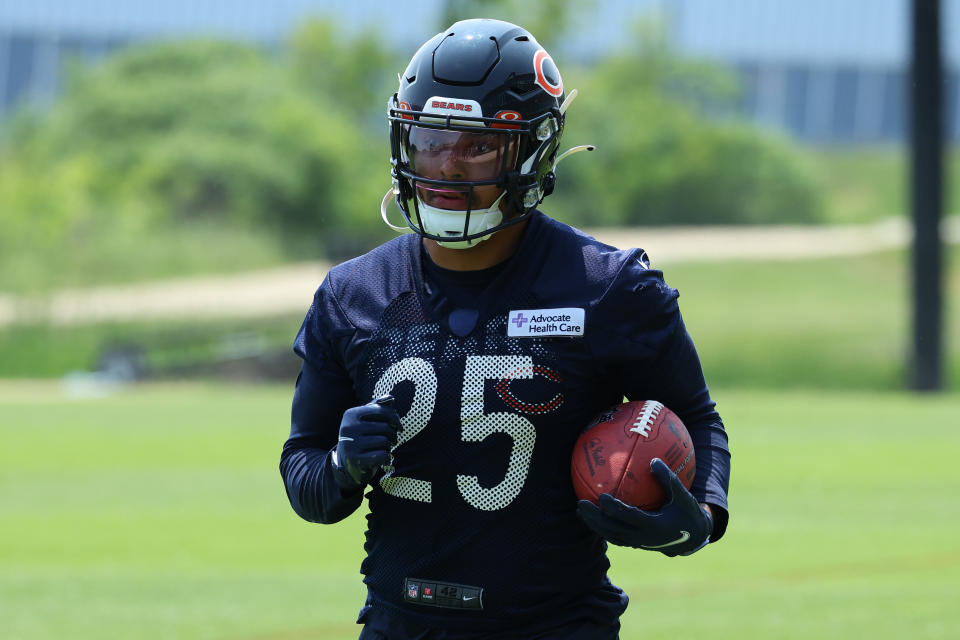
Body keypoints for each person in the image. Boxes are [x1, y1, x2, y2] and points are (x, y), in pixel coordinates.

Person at [280, 18, 730, 640]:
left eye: (478, 146)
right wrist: (339, 467)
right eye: (431, 139)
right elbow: (305, 476)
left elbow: (694, 416)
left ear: (534, 150)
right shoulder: (354, 294)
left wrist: (699, 514)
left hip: (555, 626)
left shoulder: (607, 287)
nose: (448, 165)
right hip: (399, 625)